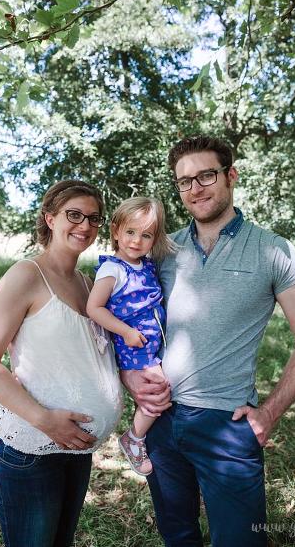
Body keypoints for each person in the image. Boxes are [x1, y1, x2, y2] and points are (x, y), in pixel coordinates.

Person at [120, 135, 295, 546]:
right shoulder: (161, 248)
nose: (195, 188)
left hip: (226, 426)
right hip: (160, 420)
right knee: (178, 536)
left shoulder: (274, 250)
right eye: (184, 181)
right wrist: (131, 379)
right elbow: (123, 314)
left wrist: (268, 413)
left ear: (230, 176)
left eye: (206, 175)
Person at [0, 180, 123, 547]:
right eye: (74, 215)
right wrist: (44, 420)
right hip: (30, 448)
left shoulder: (89, 285)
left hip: (77, 447)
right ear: (49, 218)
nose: (84, 226)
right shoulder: (26, 276)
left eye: (93, 218)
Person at [87, 196, 176, 476]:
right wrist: (125, 332)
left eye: (146, 235)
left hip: (149, 343)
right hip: (133, 344)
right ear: (115, 231)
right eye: (130, 232)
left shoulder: (146, 264)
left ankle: (140, 434)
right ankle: (134, 439)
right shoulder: (113, 269)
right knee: (159, 392)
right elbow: (94, 307)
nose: (137, 241)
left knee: (159, 390)